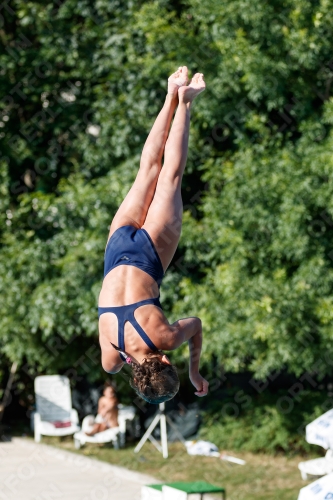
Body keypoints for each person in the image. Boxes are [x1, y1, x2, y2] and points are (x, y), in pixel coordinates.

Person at [98, 66, 209, 404]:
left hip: (149, 254)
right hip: (116, 247)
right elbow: (120, 364)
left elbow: (196, 325)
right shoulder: (110, 359)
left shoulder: (165, 338)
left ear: (166, 361)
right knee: (147, 170)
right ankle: (169, 92)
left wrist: (194, 371)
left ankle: (184, 100)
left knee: (170, 176)